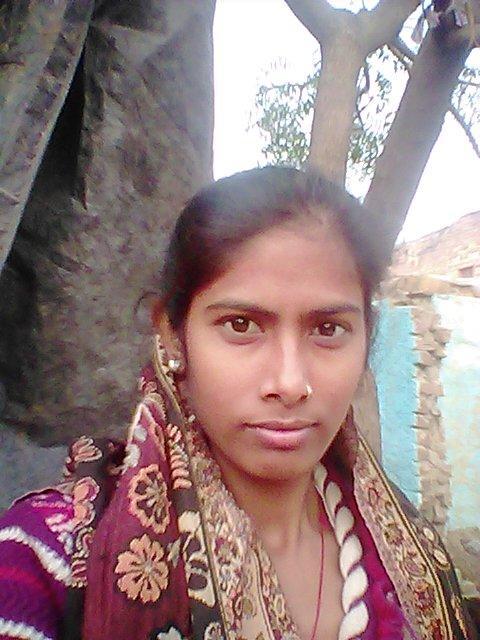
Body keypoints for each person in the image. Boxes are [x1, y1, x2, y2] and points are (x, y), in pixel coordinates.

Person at [0, 167, 476, 640]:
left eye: (328, 329)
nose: (290, 383)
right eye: (241, 325)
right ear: (172, 335)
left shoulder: (413, 555)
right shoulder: (47, 561)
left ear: (367, 338)